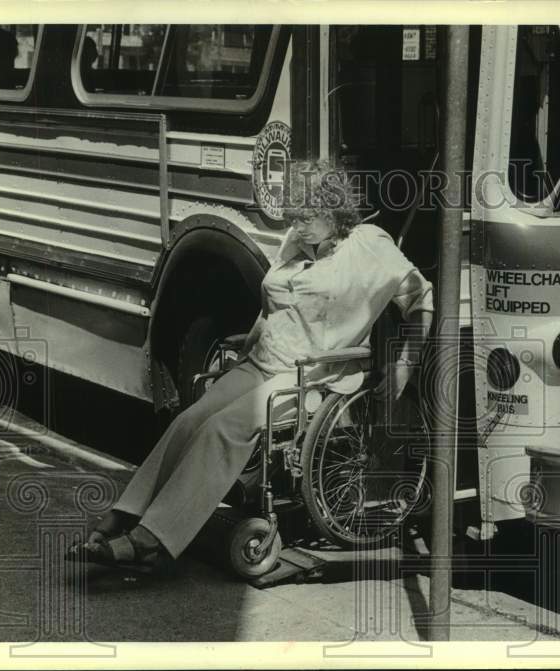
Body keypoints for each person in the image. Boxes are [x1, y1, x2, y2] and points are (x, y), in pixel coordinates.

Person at [67, 161, 434, 572]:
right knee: (190, 420)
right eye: (294, 216)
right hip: (260, 362)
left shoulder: (369, 245)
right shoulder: (297, 241)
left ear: (334, 210)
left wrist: (406, 362)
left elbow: (421, 298)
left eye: (307, 217)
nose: (299, 225)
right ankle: (126, 513)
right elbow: (271, 304)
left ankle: (150, 540)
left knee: (223, 430)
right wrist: (246, 348)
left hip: (307, 376)